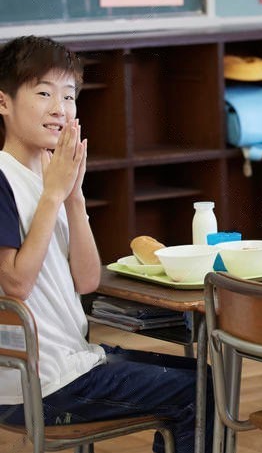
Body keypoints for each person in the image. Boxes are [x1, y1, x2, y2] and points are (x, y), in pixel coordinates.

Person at [0, 36, 211, 453]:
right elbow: (15, 285)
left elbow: (87, 278)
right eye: (43, 93)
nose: (60, 108)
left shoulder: (52, 177)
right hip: (36, 384)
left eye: (69, 95)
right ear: (3, 102)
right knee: (199, 393)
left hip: (70, 362)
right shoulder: (5, 180)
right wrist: (52, 196)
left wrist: (73, 198)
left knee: (207, 377)